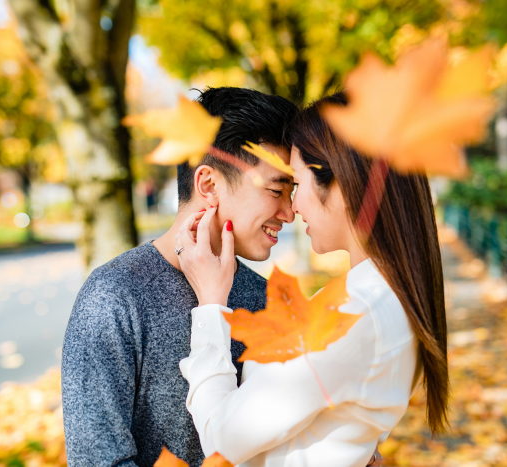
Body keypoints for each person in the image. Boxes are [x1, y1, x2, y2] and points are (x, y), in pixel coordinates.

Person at [175, 92, 449, 466]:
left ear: (344, 185)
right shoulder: (380, 298)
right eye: (280, 189)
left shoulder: (353, 314)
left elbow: (222, 439)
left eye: (297, 185)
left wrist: (210, 307)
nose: (292, 208)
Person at [61, 87, 299, 467]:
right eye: (276, 189)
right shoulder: (113, 297)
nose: (290, 212)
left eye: (293, 192)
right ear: (208, 185)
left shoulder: (273, 301)